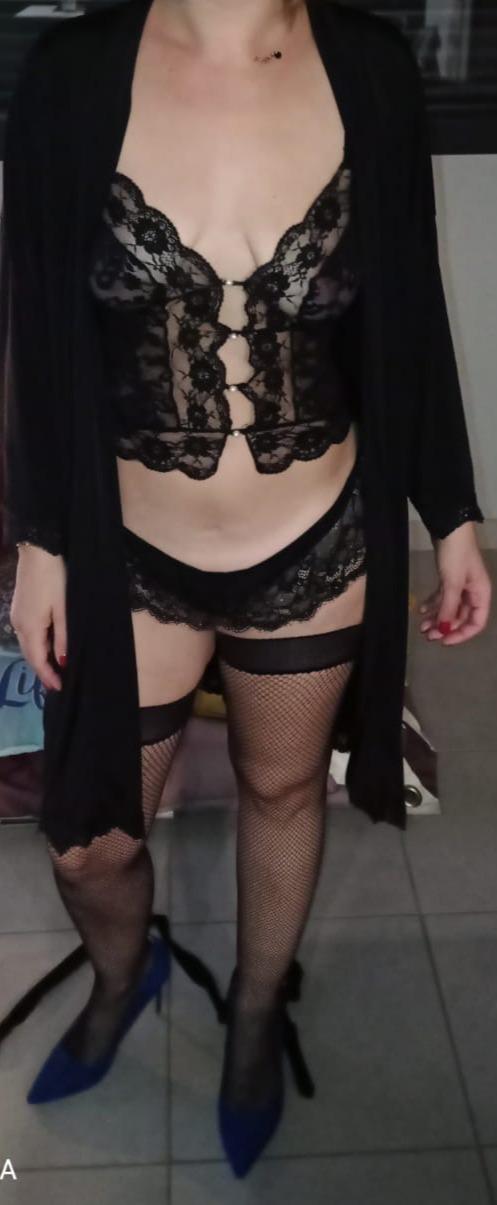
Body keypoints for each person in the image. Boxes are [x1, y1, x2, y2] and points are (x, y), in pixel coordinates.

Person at [1, 0, 490, 1179]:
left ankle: (258, 1013)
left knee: (282, 788)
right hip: (127, 551)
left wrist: (451, 512)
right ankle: (124, 975)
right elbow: (37, 326)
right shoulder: (71, 73)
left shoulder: (368, 67)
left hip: (316, 540)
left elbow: (407, 313)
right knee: (89, 842)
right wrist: (40, 540)